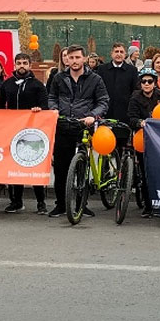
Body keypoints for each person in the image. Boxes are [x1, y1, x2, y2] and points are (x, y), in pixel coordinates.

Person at [47, 44, 109, 218]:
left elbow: (103, 101)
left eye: (77, 57)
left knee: (83, 168)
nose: (74, 61)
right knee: (60, 169)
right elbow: (52, 97)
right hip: (63, 125)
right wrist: (54, 109)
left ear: (84, 58)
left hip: (83, 127)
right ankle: (60, 204)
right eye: (71, 57)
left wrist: (93, 116)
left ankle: (82, 204)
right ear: (67, 59)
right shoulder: (59, 78)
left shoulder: (95, 79)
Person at [0, 53, 49, 214]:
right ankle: (16, 201)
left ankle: (41, 202)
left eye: (25, 63)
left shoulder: (37, 85)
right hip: (13, 130)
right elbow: (0, 107)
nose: (22, 65)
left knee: (34, 165)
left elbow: (45, 106)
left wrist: (39, 109)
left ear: (29, 65)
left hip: (33, 131)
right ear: (14, 65)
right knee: (14, 165)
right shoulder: (7, 84)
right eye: (19, 63)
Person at [128, 67, 160, 217]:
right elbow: (132, 118)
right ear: (140, 83)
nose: (147, 84)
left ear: (155, 82)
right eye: (144, 81)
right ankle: (148, 206)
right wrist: (140, 122)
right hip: (144, 139)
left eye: (150, 81)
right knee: (145, 172)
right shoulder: (135, 98)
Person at [95, 43, 138, 127]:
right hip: (106, 113)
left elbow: (134, 91)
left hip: (125, 114)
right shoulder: (102, 69)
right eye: (116, 51)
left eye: (121, 52)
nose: (119, 54)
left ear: (125, 54)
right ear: (111, 53)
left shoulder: (132, 70)